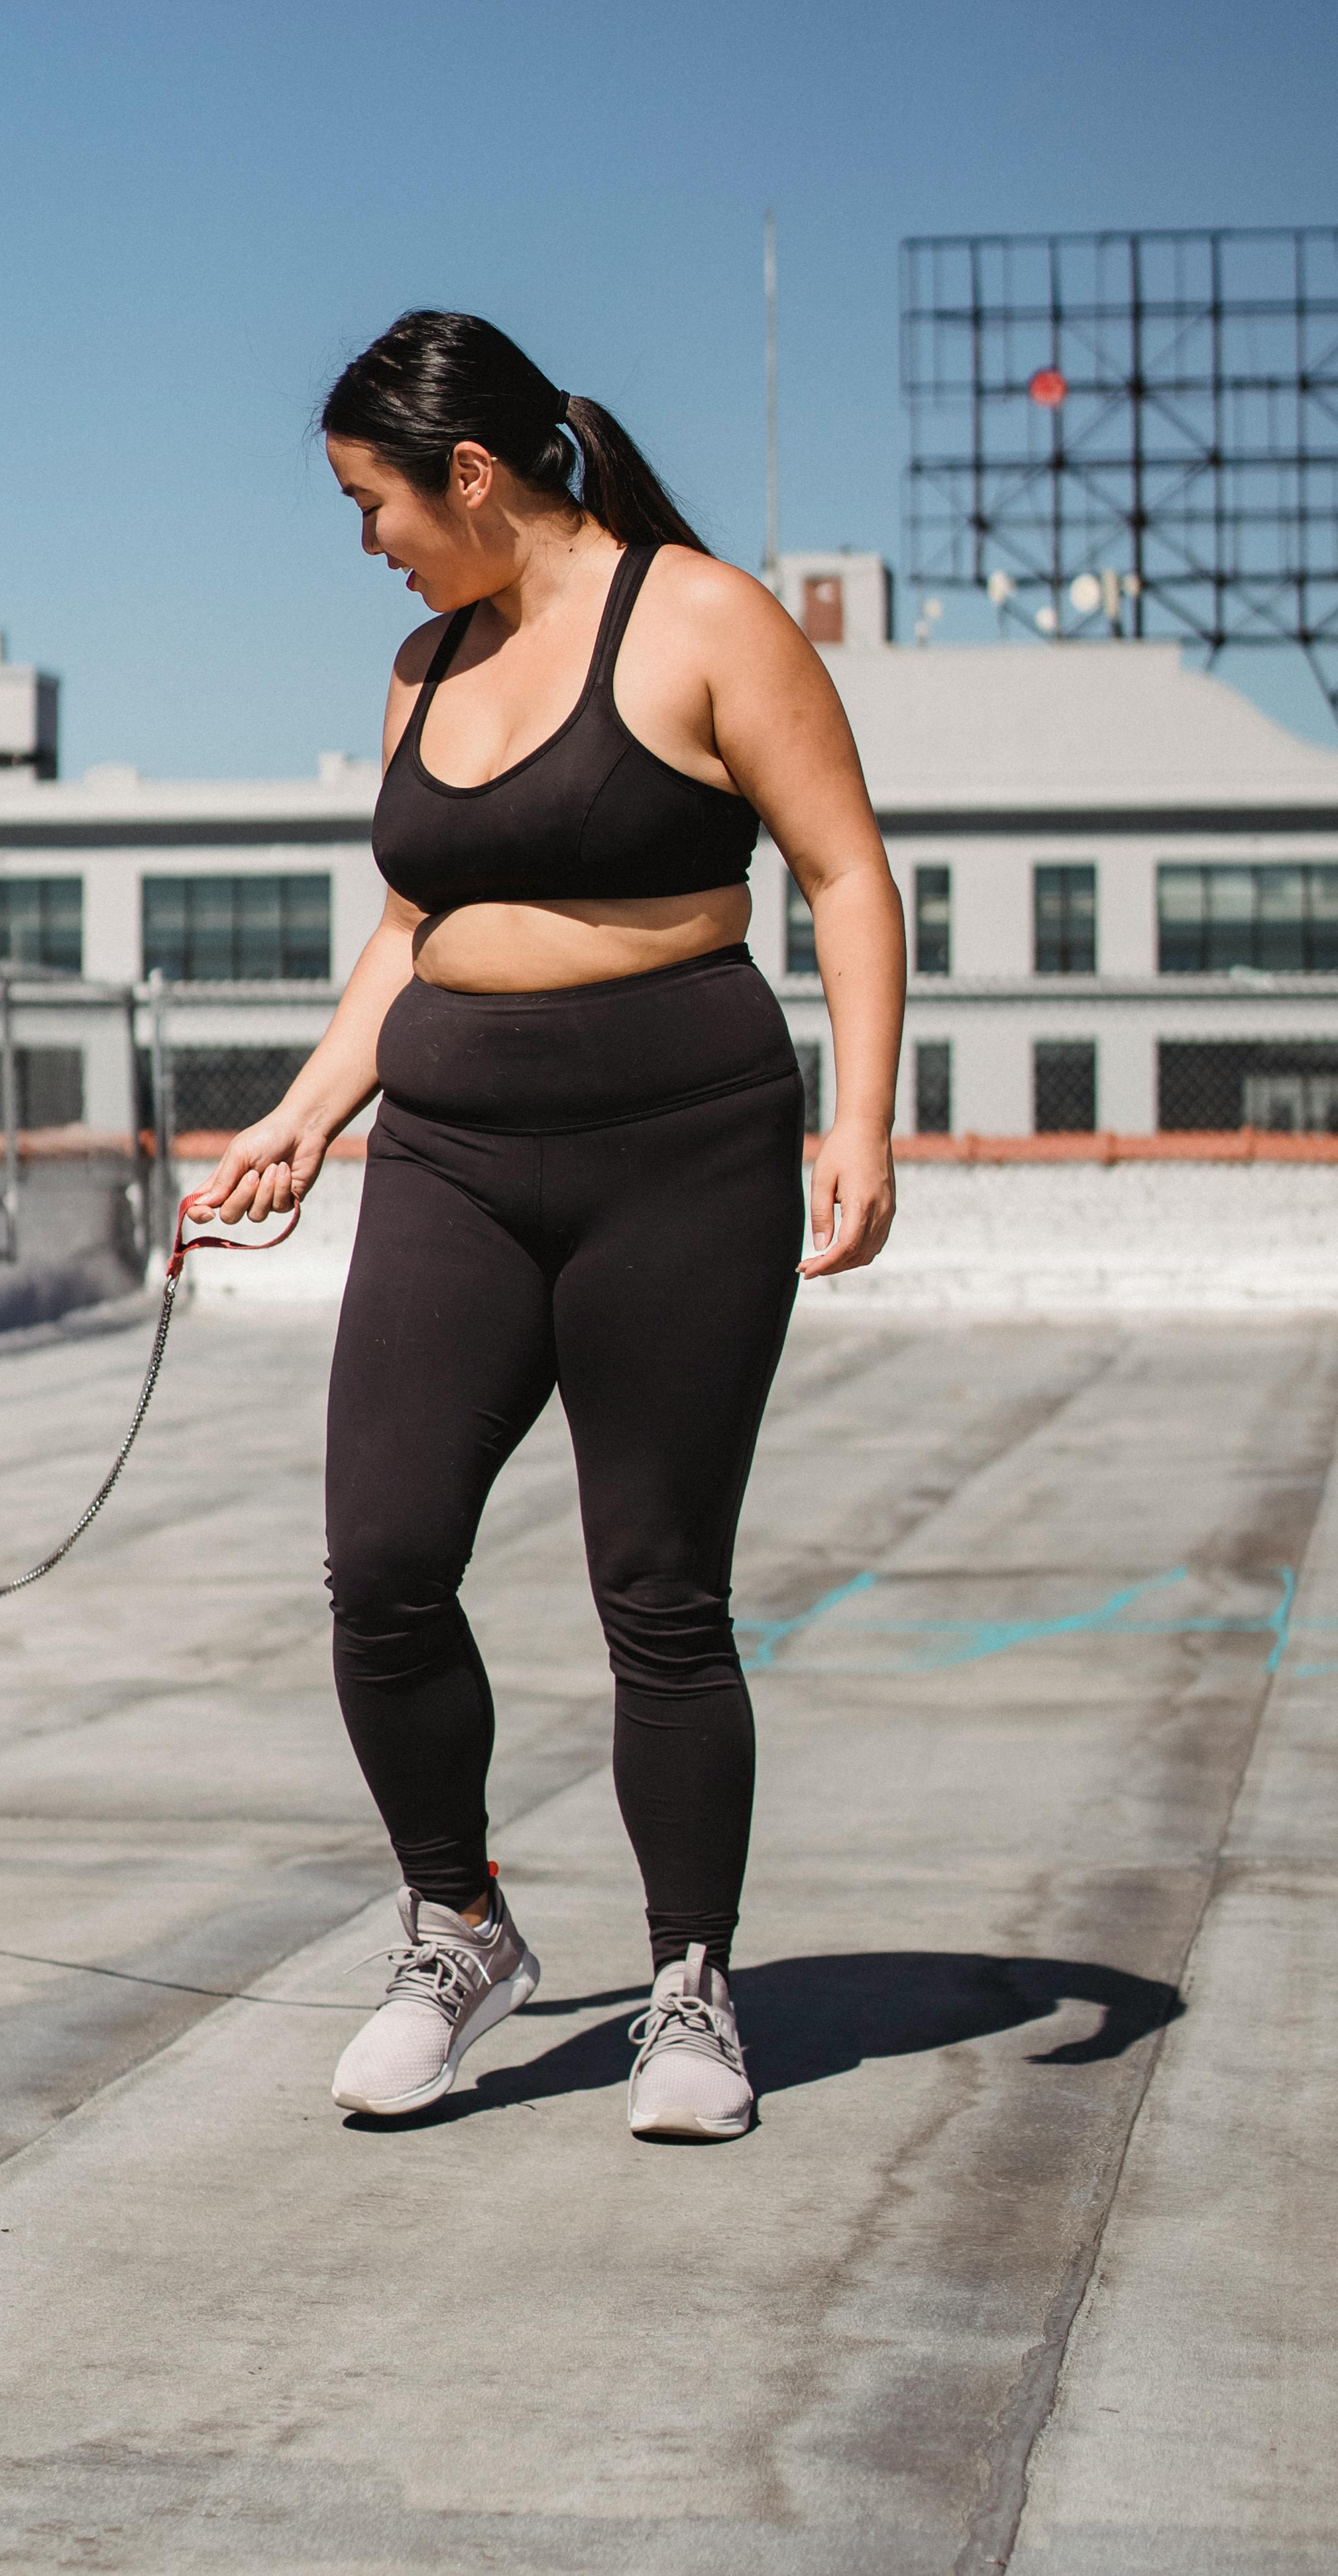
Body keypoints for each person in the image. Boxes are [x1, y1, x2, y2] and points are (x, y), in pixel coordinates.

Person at [186, 311, 903, 2137]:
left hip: (685, 1147)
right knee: (386, 1561)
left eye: (376, 505)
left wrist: (868, 1121)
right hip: (453, 1150)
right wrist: (304, 1110)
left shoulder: (707, 620)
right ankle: (461, 1923)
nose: (371, 546)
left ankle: (692, 1987)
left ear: (474, 477)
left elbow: (842, 871)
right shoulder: (425, 666)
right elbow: (419, 921)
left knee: (658, 1590)